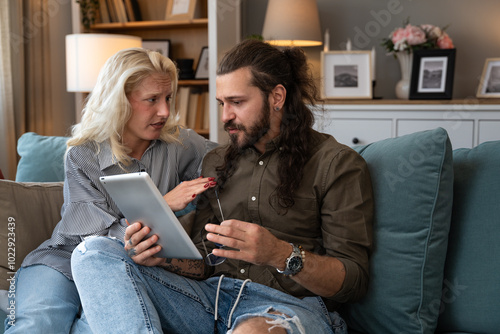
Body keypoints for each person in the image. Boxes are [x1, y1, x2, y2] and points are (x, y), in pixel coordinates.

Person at [71, 39, 374, 334]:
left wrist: (278, 253)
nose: (225, 116)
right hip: (209, 299)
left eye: (237, 103)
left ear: (277, 97)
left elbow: (354, 282)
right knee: (92, 253)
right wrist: (166, 258)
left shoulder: (335, 165)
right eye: (221, 103)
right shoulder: (216, 161)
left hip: (287, 307)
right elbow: (204, 259)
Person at [5, 47, 217, 333]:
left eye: (168, 98)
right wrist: (162, 205)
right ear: (119, 101)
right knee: (39, 325)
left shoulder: (181, 144)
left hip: (135, 267)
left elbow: (230, 162)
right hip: (63, 260)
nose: (165, 111)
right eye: (151, 100)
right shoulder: (82, 154)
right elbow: (93, 240)